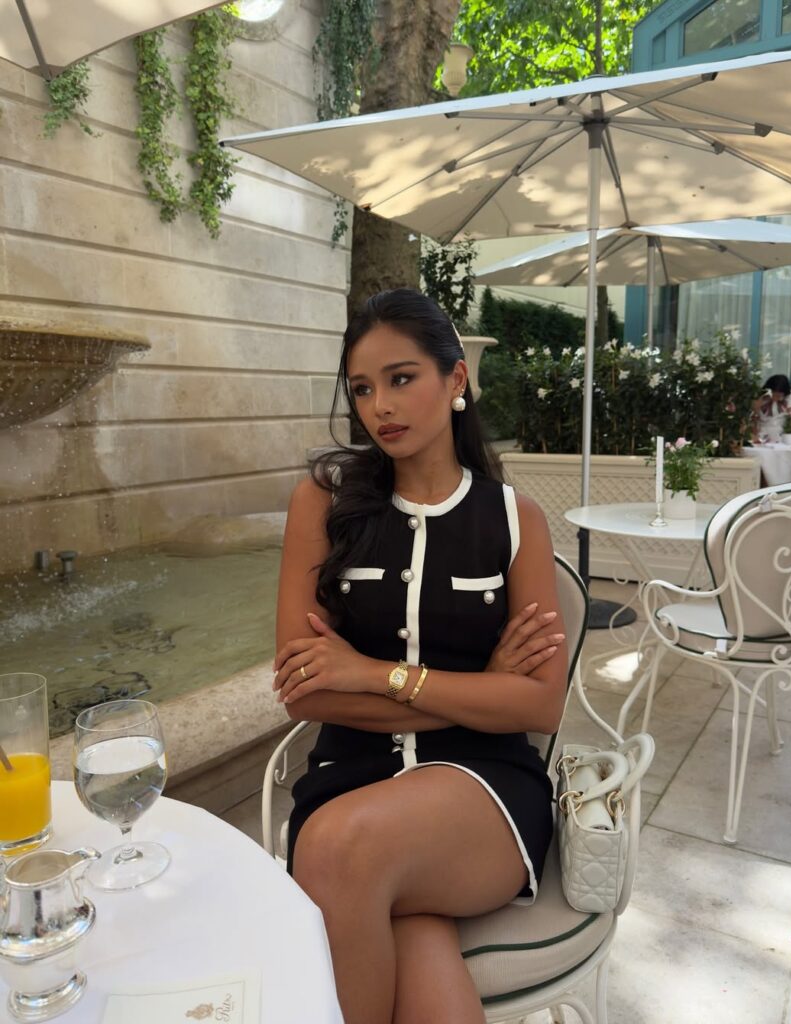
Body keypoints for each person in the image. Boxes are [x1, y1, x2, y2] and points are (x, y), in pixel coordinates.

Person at [273, 288, 568, 1024]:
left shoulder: (515, 520)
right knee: (406, 926)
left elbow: (538, 704)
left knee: (341, 852)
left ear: (456, 380)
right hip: (349, 776)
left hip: (484, 790)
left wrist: (376, 674)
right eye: (364, 389)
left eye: (401, 378)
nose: (381, 406)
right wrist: (477, 691)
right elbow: (304, 691)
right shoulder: (323, 502)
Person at [751, 374, 791, 442]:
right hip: (764, 435)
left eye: (780, 395)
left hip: (783, 435)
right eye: (775, 394)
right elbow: (754, 419)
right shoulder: (760, 397)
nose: (777, 397)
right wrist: (755, 436)